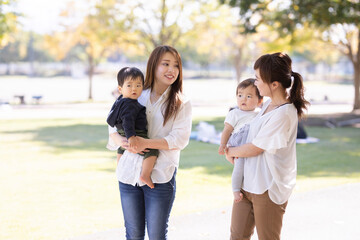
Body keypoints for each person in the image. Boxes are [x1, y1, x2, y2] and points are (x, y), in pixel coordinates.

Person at [107, 45, 192, 240]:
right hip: (129, 174)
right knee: (133, 234)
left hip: (160, 177)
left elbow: (179, 139)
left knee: (156, 236)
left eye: (176, 65)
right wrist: (125, 141)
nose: (172, 70)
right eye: (166, 64)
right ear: (153, 66)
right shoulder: (136, 92)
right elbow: (113, 128)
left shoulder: (181, 102)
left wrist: (144, 143)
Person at [225, 52, 309, 240]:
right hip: (247, 184)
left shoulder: (284, 113)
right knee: (237, 236)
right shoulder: (267, 105)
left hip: (267, 188)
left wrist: (229, 151)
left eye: (257, 79)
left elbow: (256, 147)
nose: (255, 84)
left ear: (274, 84)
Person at [107, 67, 159, 189]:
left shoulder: (119, 101)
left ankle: (120, 168)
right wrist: (131, 138)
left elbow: (111, 119)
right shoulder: (130, 104)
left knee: (121, 149)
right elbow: (128, 121)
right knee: (152, 151)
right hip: (136, 132)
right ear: (120, 89)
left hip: (122, 132)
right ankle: (145, 175)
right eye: (129, 85)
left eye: (138, 85)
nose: (134, 89)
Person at [218, 78, 263, 203]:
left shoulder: (259, 113)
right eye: (240, 95)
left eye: (249, 96)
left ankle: (252, 185)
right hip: (239, 141)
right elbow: (227, 130)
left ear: (259, 100)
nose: (243, 99)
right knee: (239, 166)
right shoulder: (235, 113)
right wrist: (223, 145)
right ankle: (236, 190)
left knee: (253, 165)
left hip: (252, 142)